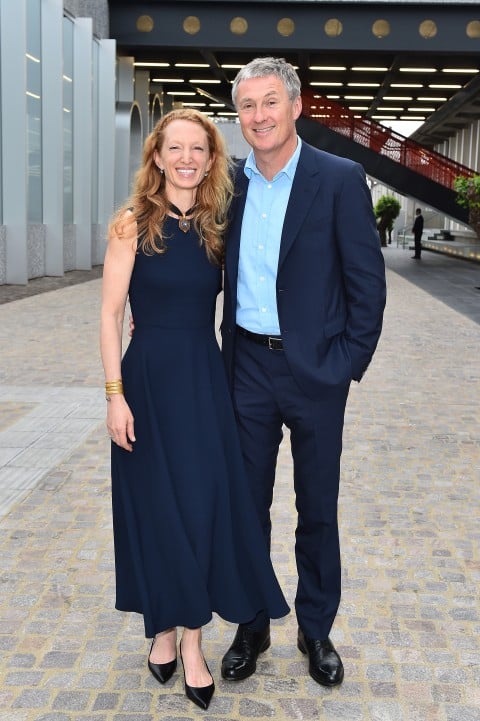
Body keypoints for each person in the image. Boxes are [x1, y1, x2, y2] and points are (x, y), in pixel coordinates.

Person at [100, 108, 289, 711]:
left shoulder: (216, 225)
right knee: (157, 510)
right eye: (174, 148)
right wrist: (114, 396)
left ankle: (192, 644)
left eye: (198, 149)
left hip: (204, 383)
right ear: (156, 156)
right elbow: (108, 315)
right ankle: (164, 630)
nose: (186, 158)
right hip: (148, 384)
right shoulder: (132, 224)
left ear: (211, 160)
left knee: (201, 509)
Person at [220, 57, 387, 687]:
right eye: (247, 106)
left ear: (295, 106)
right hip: (245, 370)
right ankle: (252, 621)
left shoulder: (340, 178)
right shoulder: (228, 184)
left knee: (317, 508)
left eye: (269, 102)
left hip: (316, 374)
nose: (258, 116)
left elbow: (367, 285)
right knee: (245, 506)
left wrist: (346, 365)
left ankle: (316, 628)